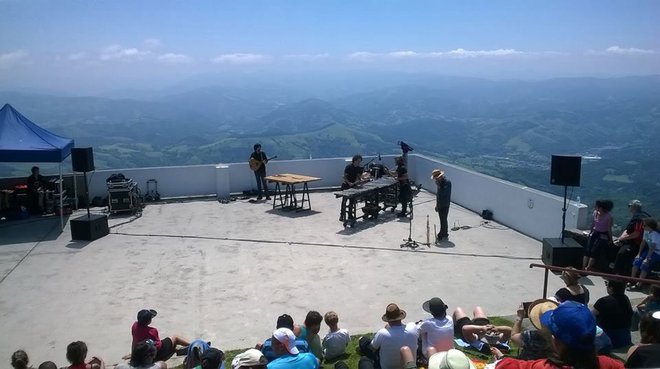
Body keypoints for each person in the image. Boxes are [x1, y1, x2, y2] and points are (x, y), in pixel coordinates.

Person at [492, 301, 624, 369]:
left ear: (555, 340)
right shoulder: (611, 364)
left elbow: (507, 365)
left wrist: (501, 358)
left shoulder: (541, 366)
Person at [364, 303, 419, 369]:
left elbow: (372, 348)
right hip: (409, 365)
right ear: (400, 317)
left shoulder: (383, 333)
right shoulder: (413, 327)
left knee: (364, 359)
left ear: (388, 320)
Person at [592, 279, 633, 349]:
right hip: (625, 339)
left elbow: (590, 315)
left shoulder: (603, 301)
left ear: (611, 288)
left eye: (607, 285)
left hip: (609, 340)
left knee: (592, 318)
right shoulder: (626, 299)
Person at [613, 200, 648, 276]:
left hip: (638, 244)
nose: (629, 208)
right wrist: (621, 237)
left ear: (634, 207)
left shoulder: (639, 219)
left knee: (621, 254)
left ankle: (617, 275)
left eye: (629, 206)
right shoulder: (640, 216)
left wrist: (622, 239)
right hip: (634, 241)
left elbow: (636, 234)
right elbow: (628, 230)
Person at [583, 200, 614, 271]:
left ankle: (588, 268)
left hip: (603, 234)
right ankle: (583, 267)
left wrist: (610, 239)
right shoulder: (595, 213)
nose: (595, 207)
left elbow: (609, 228)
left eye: (596, 206)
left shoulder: (609, 217)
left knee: (594, 251)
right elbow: (593, 224)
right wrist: (590, 232)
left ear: (601, 207)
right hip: (595, 232)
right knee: (588, 250)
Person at [630, 218, 660, 289]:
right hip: (649, 250)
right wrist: (639, 254)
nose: (642, 227)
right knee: (637, 261)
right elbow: (643, 242)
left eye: (644, 225)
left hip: (657, 252)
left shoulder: (655, 235)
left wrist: (647, 259)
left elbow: (652, 248)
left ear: (650, 227)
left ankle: (639, 284)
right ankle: (632, 280)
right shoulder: (646, 232)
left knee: (645, 264)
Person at [432, 169, 451, 242]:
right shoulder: (439, 182)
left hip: (445, 204)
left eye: (437, 178)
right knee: (442, 219)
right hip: (440, 204)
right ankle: (444, 233)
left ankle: (443, 233)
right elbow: (438, 195)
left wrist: (439, 185)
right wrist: (437, 205)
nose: (436, 180)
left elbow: (443, 194)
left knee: (443, 219)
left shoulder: (447, 183)